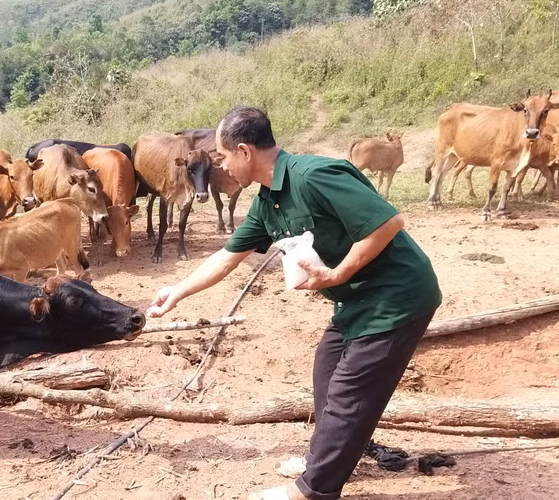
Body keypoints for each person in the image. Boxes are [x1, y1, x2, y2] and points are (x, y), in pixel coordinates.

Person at [146, 106, 441, 500]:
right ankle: (329, 460)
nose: (223, 166)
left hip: (396, 296)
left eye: (224, 156)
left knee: (350, 393)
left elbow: (389, 223)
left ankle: (313, 490)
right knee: (327, 374)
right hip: (355, 300)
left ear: (245, 152)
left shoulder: (315, 175)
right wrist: (176, 292)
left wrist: (338, 275)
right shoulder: (268, 201)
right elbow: (227, 257)